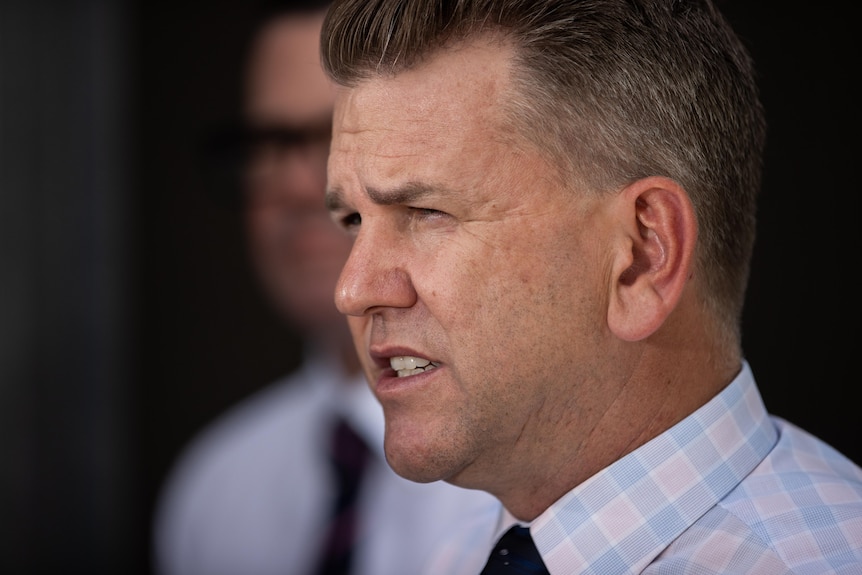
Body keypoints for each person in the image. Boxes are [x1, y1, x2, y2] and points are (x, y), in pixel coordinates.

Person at [320, 1, 862, 573]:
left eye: (426, 211)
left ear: (641, 258)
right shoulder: (456, 554)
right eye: (352, 221)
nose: (352, 290)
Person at [151, 2, 498, 575]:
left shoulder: (531, 477)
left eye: (332, 134)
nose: (292, 185)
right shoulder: (217, 487)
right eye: (266, 144)